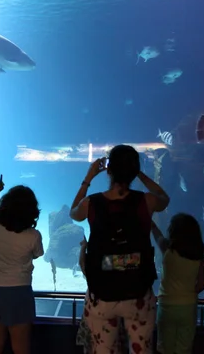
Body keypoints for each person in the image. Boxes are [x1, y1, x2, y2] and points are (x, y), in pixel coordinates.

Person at [70, 144, 170, 354]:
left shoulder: (92, 203)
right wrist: (139, 174)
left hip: (102, 293)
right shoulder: (147, 201)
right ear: (134, 171)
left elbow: (73, 212)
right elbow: (164, 198)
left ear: (108, 169)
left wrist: (88, 178)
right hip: (138, 294)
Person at [0, 175, 44, 354]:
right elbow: (37, 254)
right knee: (21, 348)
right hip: (18, 292)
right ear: (31, 211)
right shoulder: (33, 235)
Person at [150, 213, 204, 354]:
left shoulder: (167, 249)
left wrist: (150, 221)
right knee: (184, 348)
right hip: (188, 307)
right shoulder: (199, 255)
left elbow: (157, 235)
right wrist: (188, 293)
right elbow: (201, 284)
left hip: (167, 306)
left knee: (165, 348)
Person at [76, 237, 129, 354]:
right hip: (116, 312)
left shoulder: (96, 265)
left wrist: (84, 247)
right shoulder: (117, 263)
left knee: (92, 346)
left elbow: (82, 263)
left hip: (94, 311)